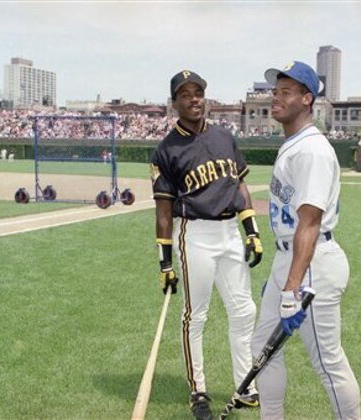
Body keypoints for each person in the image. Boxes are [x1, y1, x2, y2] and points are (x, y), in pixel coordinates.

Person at [250, 61, 361, 419]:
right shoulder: (295, 144)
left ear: (307, 98)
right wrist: (283, 275)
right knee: (262, 347)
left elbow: (310, 223)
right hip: (293, 259)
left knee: (327, 361)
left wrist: (291, 286)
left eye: (286, 92)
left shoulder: (312, 149)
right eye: (275, 91)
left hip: (312, 265)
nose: (276, 98)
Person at [150, 70, 264, 420]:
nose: (193, 99)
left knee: (244, 310)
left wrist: (252, 230)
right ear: (175, 103)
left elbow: (239, 188)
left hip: (230, 231)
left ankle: (245, 386)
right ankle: (198, 391)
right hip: (194, 234)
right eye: (185, 94)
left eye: (198, 92)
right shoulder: (166, 150)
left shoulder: (225, 138)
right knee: (195, 316)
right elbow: (164, 211)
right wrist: (165, 263)